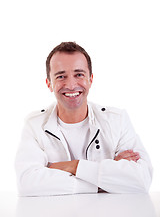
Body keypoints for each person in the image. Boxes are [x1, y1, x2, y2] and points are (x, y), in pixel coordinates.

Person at [15, 42, 153, 196]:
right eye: (61, 76)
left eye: (79, 74)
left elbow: (141, 180)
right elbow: (27, 183)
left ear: (90, 79)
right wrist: (107, 179)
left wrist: (73, 166)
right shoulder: (34, 125)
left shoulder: (117, 120)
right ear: (49, 84)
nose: (71, 85)